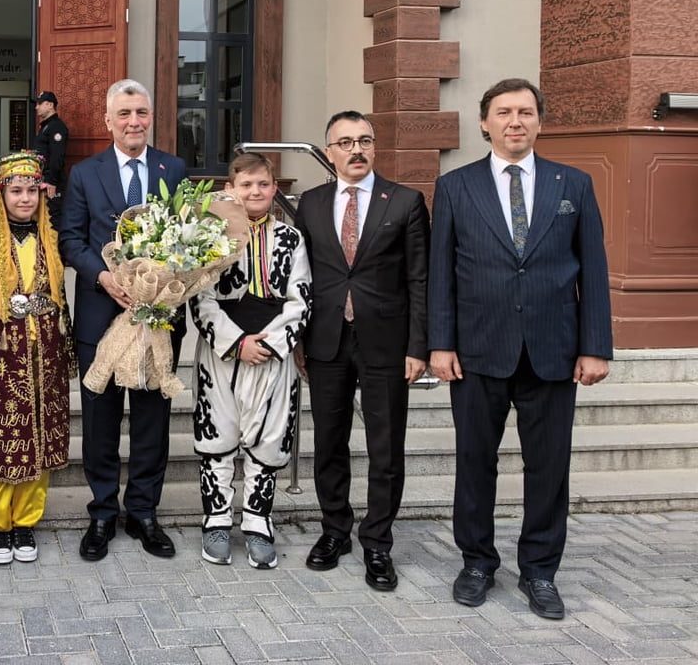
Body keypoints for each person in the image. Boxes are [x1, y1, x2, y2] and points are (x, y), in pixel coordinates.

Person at [429, 78, 612, 620]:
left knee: (549, 467)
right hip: (478, 350)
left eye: (526, 112)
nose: (516, 121)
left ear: (539, 122)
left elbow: (594, 272)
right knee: (474, 462)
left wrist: (595, 346)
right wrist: (440, 343)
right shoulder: (456, 186)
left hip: (553, 352)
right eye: (504, 112)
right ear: (484, 123)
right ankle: (478, 562)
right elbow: (442, 273)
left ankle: (540, 571)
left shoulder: (573, 185)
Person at [294, 109, 429, 592]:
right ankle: (335, 531)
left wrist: (419, 346)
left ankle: (377, 542)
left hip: (386, 343)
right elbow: (301, 277)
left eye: (365, 140)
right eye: (346, 142)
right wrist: (298, 341)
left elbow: (419, 278)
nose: (357, 150)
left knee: (385, 447)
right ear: (329, 152)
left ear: (376, 147)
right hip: (326, 340)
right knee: (329, 442)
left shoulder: (406, 202)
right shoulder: (310, 203)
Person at [59, 79, 186, 561]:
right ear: (108, 120)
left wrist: (165, 284)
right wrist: (103, 278)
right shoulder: (85, 174)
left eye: (142, 112)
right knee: (101, 421)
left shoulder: (172, 168)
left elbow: (190, 240)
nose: (135, 121)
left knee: (152, 420)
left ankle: (145, 513)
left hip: (157, 318)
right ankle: (102, 514)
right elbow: (71, 239)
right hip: (102, 315)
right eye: (125, 113)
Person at [0, 150, 74, 565]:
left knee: (38, 442)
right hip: (1, 360)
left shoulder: (51, 242)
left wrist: (68, 353)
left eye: (31, 191)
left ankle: (25, 522)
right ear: (0, 195)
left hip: (45, 359)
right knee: (4, 439)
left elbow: (61, 304)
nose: (24, 199)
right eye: (16, 191)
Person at [188, 152, 310, 569]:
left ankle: (258, 522)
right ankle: (217, 521)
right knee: (218, 437)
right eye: (246, 185)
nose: (255, 192)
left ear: (275, 189)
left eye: (263, 184)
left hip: (273, 355)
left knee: (269, 440)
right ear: (232, 189)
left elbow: (301, 298)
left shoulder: (292, 240)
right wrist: (236, 342)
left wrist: (273, 343)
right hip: (223, 352)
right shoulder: (211, 236)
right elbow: (198, 295)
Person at [32, 90, 68, 223]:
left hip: (51, 182)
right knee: (43, 217)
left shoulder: (56, 127)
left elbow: (57, 156)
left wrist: (52, 181)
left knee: (53, 217)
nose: (37, 107)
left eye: (39, 104)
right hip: (42, 180)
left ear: (50, 105)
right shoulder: (45, 127)